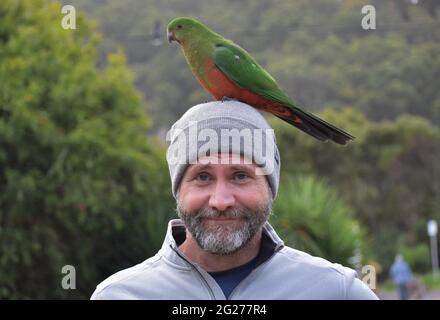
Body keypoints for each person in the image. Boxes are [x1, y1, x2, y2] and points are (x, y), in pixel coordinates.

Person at [91, 101, 378, 300]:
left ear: (270, 186)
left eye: (240, 176)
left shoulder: (336, 291)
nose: (221, 200)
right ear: (178, 189)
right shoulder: (120, 295)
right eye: (202, 176)